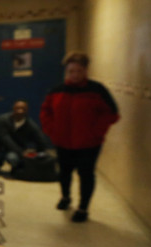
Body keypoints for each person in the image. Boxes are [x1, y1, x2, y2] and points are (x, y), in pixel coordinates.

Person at [40, 52, 119, 222]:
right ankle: (65, 197)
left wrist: (96, 133)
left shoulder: (97, 90)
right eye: (71, 71)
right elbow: (46, 111)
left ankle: (83, 208)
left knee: (86, 174)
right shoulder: (57, 91)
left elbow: (112, 114)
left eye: (79, 71)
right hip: (63, 142)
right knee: (64, 172)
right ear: (66, 71)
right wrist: (52, 130)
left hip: (88, 144)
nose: (75, 75)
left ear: (86, 71)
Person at [0, 100, 52, 176]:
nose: (20, 111)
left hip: (15, 153)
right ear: (13, 108)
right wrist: (21, 153)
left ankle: (17, 170)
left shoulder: (30, 125)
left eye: (23, 109)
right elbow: (5, 138)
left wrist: (38, 153)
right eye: (17, 108)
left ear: (27, 111)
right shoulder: (2, 120)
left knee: (13, 158)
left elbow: (41, 140)